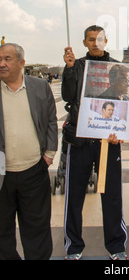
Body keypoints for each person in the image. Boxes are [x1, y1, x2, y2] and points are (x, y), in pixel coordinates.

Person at [62, 25, 128, 261]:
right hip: (80, 140)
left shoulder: (119, 68)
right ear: (84, 43)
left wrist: (122, 128)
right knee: (74, 195)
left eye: (99, 39)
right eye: (91, 39)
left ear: (106, 40)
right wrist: (69, 70)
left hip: (108, 141)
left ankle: (116, 246)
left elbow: (126, 104)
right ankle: (73, 246)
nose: (95, 43)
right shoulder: (77, 66)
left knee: (112, 195)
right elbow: (68, 97)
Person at [0, 43, 58, 260]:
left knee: (37, 229)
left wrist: (49, 154)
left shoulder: (40, 87)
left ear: (22, 63)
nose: (2, 64)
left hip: (34, 169)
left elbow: (52, 120)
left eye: (7, 59)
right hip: (1, 173)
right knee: (2, 230)